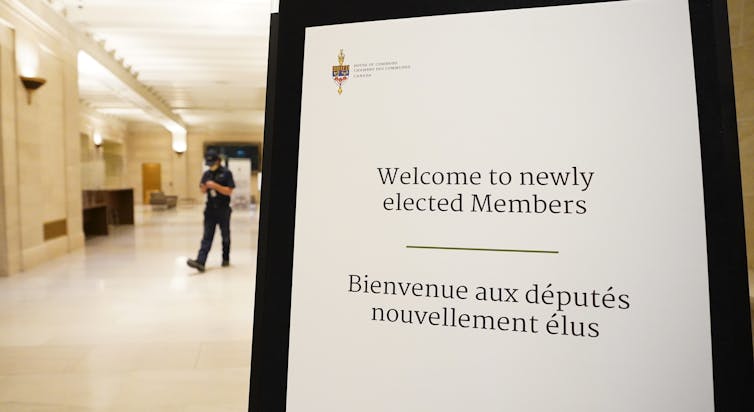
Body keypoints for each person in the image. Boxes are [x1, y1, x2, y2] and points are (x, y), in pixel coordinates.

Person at [187, 149, 235, 272]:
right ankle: (200, 262)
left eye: (212, 162)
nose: (210, 165)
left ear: (218, 161)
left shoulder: (226, 173)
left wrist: (215, 186)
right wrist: (205, 187)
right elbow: (202, 191)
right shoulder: (206, 174)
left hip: (223, 210)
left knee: (225, 236)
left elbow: (229, 191)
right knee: (207, 236)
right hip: (210, 210)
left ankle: (225, 258)